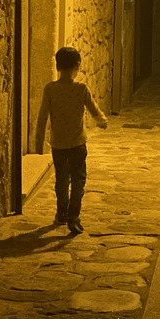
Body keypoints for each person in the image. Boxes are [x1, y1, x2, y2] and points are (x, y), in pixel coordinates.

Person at [34, 46, 108, 234]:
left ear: (57, 66)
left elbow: (42, 116)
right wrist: (102, 121)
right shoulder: (81, 89)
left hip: (58, 144)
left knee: (61, 179)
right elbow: (93, 109)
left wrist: (39, 139)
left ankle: (61, 213)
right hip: (77, 143)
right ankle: (74, 216)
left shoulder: (50, 89)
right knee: (78, 179)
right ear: (77, 66)